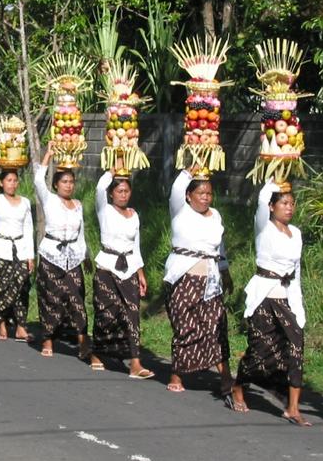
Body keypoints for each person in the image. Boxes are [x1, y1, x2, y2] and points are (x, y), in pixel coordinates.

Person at [230, 181, 309, 424]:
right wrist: (277, 171)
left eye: (292, 204)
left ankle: (293, 407)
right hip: (264, 296)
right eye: (284, 203)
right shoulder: (264, 227)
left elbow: (295, 273)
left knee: (296, 346)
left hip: (286, 297)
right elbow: (263, 196)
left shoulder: (295, 233)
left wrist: (298, 306)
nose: (289, 208)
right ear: (272, 207)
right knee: (260, 350)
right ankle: (239, 385)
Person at [163, 169, 234, 395]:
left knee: (217, 327)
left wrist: (225, 271)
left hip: (210, 280)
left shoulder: (215, 215)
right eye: (200, 193)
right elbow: (175, 189)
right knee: (186, 327)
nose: (205, 197)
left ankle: (225, 377)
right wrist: (189, 170)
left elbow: (219, 247)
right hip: (184, 278)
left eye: (209, 193)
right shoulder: (180, 211)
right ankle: (177, 374)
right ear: (188, 195)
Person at [89, 168, 153, 379]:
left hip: (129, 268)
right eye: (119, 191)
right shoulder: (104, 210)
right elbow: (99, 187)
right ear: (111, 193)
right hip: (107, 266)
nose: (123, 195)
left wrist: (140, 273)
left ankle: (135, 362)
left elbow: (136, 245)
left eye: (126, 191)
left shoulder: (134, 215)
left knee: (132, 314)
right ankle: (98, 351)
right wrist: (111, 171)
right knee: (107, 314)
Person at [33, 145, 88, 358]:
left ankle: (83, 340)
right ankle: (47, 339)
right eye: (64, 182)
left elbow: (81, 232)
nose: (68, 185)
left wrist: (85, 255)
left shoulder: (78, 205)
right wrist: (48, 155)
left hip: (73, 256)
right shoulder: (50, 200)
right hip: (51, 255)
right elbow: (38, 181)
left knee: (77, 297)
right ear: (56, 185)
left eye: (71, 181)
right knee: (51, 297)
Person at [0, 156, 34, 341]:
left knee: (22, 286)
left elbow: (28, 228)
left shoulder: (25, 202)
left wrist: (30, 255)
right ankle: (1, 324)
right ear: (1, 183)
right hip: (0, 249)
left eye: (14, 181)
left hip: (20, 249)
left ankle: (21, 326)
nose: (12, 184)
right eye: (8, 181)